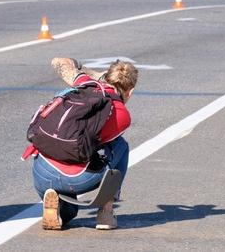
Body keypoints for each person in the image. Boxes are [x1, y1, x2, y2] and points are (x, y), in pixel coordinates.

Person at [23, 57, 139, 230]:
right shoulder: (121, 114)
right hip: (78, 178)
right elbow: (100, 146)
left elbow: (58, 61)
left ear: (106, 77)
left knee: (70, 212)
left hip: (42, 172)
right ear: (130, 92)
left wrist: (91, 74)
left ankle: (54, 200)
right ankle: (106, 213)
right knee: (121, 146)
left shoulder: (84, 83)